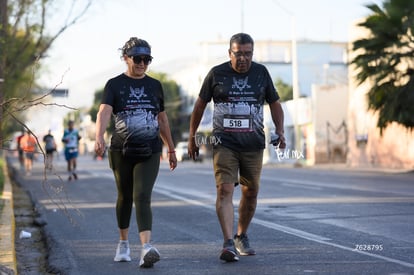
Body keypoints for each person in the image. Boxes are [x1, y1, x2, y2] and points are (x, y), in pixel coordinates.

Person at [188, 33, 286, 262]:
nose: (243, 58)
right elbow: (199, 106)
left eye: (247, 54)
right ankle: (228, 242)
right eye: (238, 53)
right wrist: (192, 137)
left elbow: (275, 104)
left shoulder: (261, 73)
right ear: (229, 53)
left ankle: (241, 235)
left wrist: (280, 131)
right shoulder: (216, 73)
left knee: (250, 192)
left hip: (252, 144)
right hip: (224, 143)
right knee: (224, 190)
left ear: (252, 53)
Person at [94, 37, 177, 269]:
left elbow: (162, 119)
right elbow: (103, 113)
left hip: (150, 150)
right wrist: (99, 136)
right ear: (125, 58)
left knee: (142, 195)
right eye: (137, 59)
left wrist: (170, 147)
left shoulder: (155, 86)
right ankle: (123, 243)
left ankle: (146, 248)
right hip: (121, 150)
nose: (142, 63)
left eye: (146, 59)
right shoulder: (114, 85)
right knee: (124, 195)